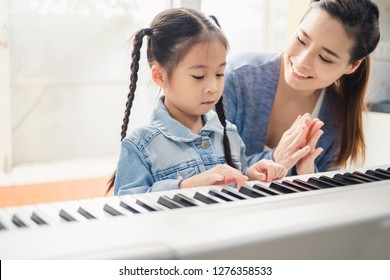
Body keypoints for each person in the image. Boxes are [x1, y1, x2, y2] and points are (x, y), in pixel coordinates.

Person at [107, 8, 287, 195]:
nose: (213, 87)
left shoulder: (229, 133)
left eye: (219, 74)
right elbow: (127, 205)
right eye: (199, 76)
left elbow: (235, 184)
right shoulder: (139, 145)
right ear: (160, 76)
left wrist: (250, 174)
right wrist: (184, 187)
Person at [223, 0, 380, 175]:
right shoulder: (238, 78)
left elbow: (324, 196)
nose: (303, 61)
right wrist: (275, 159)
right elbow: (206, 172)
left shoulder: (338, 115)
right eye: (301, 40)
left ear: (352, 66)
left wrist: (308, 174)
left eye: (325, 58)